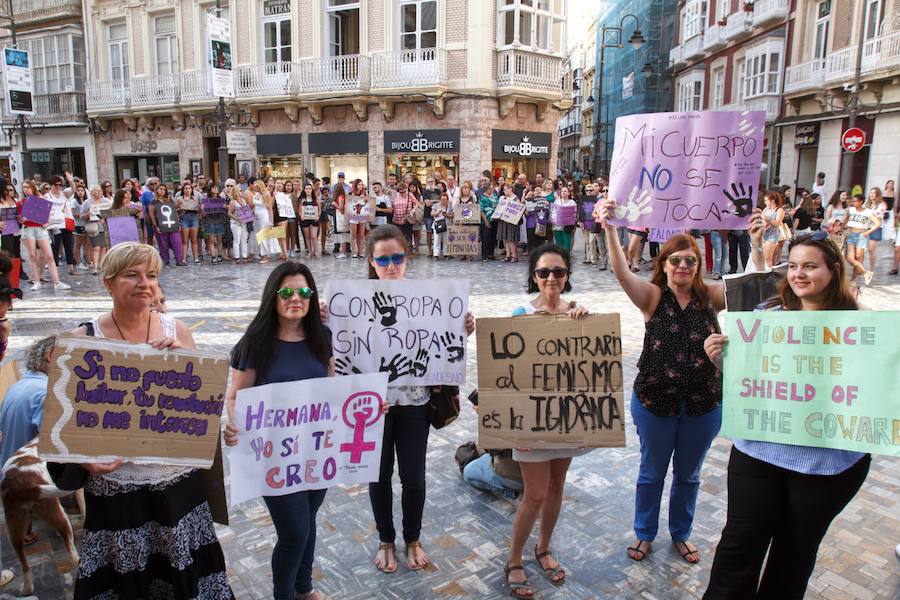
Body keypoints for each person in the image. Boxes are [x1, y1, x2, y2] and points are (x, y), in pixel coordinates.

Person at [47, 242, 232, 599]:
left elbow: (203, 411)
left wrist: (188, 368)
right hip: (117, 491)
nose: (144, 283)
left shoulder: (176, 330)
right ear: (108, 283)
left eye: (151, 275)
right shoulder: (81, 340)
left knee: (183, 577)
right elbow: (59, 427)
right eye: (132, 275)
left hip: (176, 486)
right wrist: (85, 459)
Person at [703, 230, 871, 600]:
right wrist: (723, 361)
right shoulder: (767, 316)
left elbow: (873, 389)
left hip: (825, 465)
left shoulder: (862, 326)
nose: (799, 274)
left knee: (793, 557)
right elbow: (753, 382)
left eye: (810, 266)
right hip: (758, 453)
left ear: (833, 270)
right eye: (793, 265)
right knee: (738, 547)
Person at [598, 199, 760, 566]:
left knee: (689, 475)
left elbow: (748, 289)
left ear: (699, 266)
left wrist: (755, 242)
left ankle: (681, 533)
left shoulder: (711, 297)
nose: (683, 266)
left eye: (690, 260)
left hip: (703, 405)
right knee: (651, 472)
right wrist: (610, 229)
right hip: (656, 403)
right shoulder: (653, 298)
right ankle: (644, 532)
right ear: (664, 265)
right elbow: (623, 274)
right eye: (676, 260)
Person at [364, 225, 474, 574]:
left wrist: (461, 329)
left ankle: (412, 537)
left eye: (397, 257)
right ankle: (385, 538)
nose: (391, 265)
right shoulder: (351, 302)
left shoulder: (428, 298)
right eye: (383, 259)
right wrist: (325, 321)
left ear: (407, 258)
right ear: (371, 261)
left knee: (414, 477)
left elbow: (444, 348)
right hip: (372, 406)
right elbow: (340, 351)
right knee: (378, 475)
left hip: (413, 403)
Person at [224, 262, 334, 600]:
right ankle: (283, 595)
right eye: (287, 292)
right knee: (294, 533)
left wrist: (367, 407)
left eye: (304, 292)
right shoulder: (255, 343)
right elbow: (236, 397)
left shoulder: (322, 337)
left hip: (316, 450)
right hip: (275, 456)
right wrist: (235, 426)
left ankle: (303, 588)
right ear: (273, 296)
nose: (296, 299)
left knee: (309, 520)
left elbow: (331, 387)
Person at [502, 244, 590, 599]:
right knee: (535, 493)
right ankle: (513, 558)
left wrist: (587, 323)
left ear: (567, 276)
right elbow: (508, 371)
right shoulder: (521, 313)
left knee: (556, 487)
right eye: (544, 272)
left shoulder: (578, 313)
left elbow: (587, 366)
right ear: (534, 277)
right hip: (531, 418)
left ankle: (544, 547)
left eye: (558, 271)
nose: (551, 278)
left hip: (566, 416)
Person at [0, 336, 54, 469]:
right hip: (24, 482)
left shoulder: (17, 386)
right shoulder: (45, 394)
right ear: (50, 355)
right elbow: (56, 450)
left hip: (9, 475)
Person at [21, 180, 69, 290]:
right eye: (24, 187)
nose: (26, 189)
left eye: (28, 187)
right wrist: (22, 219)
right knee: (32, 255)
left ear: (32, 188)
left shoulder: (41, 199)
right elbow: (20, 218)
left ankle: (56, 282)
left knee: (49, 255)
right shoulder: (23, 201)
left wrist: (47, 222)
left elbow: (48, 214)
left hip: (40, 228)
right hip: (28, 229)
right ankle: (36, 281)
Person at [845, 193, 880, 286]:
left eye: (855, 201)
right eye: (852, 201)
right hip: (851, 234)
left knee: (858, 257)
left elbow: (877, 223)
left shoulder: (867, 212)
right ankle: (866, 273)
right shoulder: (851, 210)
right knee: (850, 258)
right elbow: (845, 220)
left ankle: (853, 279)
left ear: (861, 202)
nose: (853, 203)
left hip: (861, 235)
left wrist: (867, 232)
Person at [148, 183, 185, 267]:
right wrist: (155, 226)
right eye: (160, 189)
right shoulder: (153, 202)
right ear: (157, 190)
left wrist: (177, 223)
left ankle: (179, 260)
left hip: (172, 224)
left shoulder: (169, 200)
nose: (162, 191)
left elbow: (174, 212)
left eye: (164, 189)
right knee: (163, 243)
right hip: (160, 225)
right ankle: (166, 261)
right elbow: (152, 215)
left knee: (177, 241)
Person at [79, 184, 112, 276]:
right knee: (96, 247)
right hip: (93, 226)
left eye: (100, 191)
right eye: (96, 191)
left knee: (103, 247)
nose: (99, 192)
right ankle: (95, 267)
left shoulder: (105, 201)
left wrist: (106, 217)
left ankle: (101, 266)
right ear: (92, 192)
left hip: (104, 226)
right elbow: (81, 215)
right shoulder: (87, 202)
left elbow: (110, 212)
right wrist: (88, 214)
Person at [249, 180, 277, 264]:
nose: (254, 187)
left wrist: (271, 221)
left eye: (256, 186)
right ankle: (260, 253)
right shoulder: (256, 194)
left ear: (260, 187)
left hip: (264, 217)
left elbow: (270, 208)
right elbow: (254, 205)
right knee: (257, 236)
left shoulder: (266, 194)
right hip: (256, 217)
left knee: (263, 236)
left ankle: (264, 256)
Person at [176, 180, 202, 263]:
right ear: (183, 190)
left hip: (194, 218)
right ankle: (183, 258)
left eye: (189, 188)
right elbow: (175, 210)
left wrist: (201, 210)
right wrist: (179, 208)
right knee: (184, 240)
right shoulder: (179, 199)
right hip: (184, 218)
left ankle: (196, 258)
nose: (187, 190)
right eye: (186, 188)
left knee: (194, 240)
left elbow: (200, 209)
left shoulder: (195, 198)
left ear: (192, 190)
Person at [496, 184, 523, 262]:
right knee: (506, 239)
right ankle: (508, 255)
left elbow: (517, 210)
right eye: (504, 190)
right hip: (504, 220)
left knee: (511, 238)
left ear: (510, 189)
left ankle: (514, 255)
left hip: (512, 221)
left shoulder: (515, 198)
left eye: (506, 189)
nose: (505, 191)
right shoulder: (503, 198)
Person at [227, 180, 251, 264]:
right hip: (236, 223)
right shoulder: (233, 202)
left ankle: (244, 256)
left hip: (244, 222)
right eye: (240, 190)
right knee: (236, 240)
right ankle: (237, 257)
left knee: (244, 239)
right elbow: (229, 213)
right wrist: (237, 218)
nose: (242, 192)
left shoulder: (243, 201)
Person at [201, 184, 226, 263]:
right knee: (211, 240)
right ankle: (213, 257)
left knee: (219, 240)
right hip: (210, 221)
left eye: (216, 187)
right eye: (213, 188)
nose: (215, 189)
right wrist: (202, 209)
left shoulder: (221, 199)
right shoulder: (206, 200)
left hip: (219, 221)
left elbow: (224, 212)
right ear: (210, 189)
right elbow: (204, 214)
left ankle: (219, 256)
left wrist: (225, 207)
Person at [865, 186, 887, 274]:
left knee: (871, 249)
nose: (871, 194)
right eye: (870, 193)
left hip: (876, 228)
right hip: (865, 228)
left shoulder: (882, 205)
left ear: (877, 194)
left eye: (873, 193)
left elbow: (878, 216)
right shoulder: (867, 204)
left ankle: (872, 269)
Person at [761, 191, 786, 267]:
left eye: (766, 200)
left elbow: (777, 223)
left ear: (772, 201)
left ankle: (768, 274)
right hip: (764, 234)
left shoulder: (779, 210)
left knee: (767, 257)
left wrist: (768, 219)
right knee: (767, 257)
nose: (765, 202)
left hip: (772, 235)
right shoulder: (766, 209)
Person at [348, 180, 370, 259]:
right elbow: (348, 204)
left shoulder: (365, 194)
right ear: (355, 185)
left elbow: (368, 203)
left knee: (361, 235)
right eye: (359, 184)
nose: (360, 186)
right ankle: (355, 251)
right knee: (353, 234)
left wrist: (365, 198)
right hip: (353, 216)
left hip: (362, 216)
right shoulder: (350, 194)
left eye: (361, 184)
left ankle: (361, 251)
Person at [298, 183, 320, 257]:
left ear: (312, 190)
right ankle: (309, 252)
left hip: (314, 220)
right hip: (305, 220)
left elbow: (319, 210)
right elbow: (300, 210)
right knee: (307, 236)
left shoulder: (316, 199)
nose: (308, 190)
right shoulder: (302, 200)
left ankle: (316, 252)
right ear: (304, 190)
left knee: (314, 236)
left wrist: (318, 216)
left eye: (309, 189)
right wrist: (301, 216)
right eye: (306, 189)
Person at [478, 183, 499, 261]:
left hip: (495, 219)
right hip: (486, 219)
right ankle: (485, 255)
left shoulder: (495, 196)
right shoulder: (482, 197)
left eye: (492, 188)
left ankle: (491, 254)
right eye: (490, 189)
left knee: (493, 237)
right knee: (486, 238)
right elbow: (481, 210)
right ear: (486, 190)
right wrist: (486, 221)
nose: (492, 190)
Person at [430, 191, 451, 259]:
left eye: (445, 199)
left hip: (446, 224)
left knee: (445, 240)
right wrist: (437, 213)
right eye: (442, 199)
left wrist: (446, 214)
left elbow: (453, 215)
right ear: (440, 199)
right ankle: (436, 254)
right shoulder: (436, 205)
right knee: (437, 239)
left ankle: (446, 253)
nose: (443, 201)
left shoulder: (449, 206)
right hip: (438, 224)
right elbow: (432, 213)